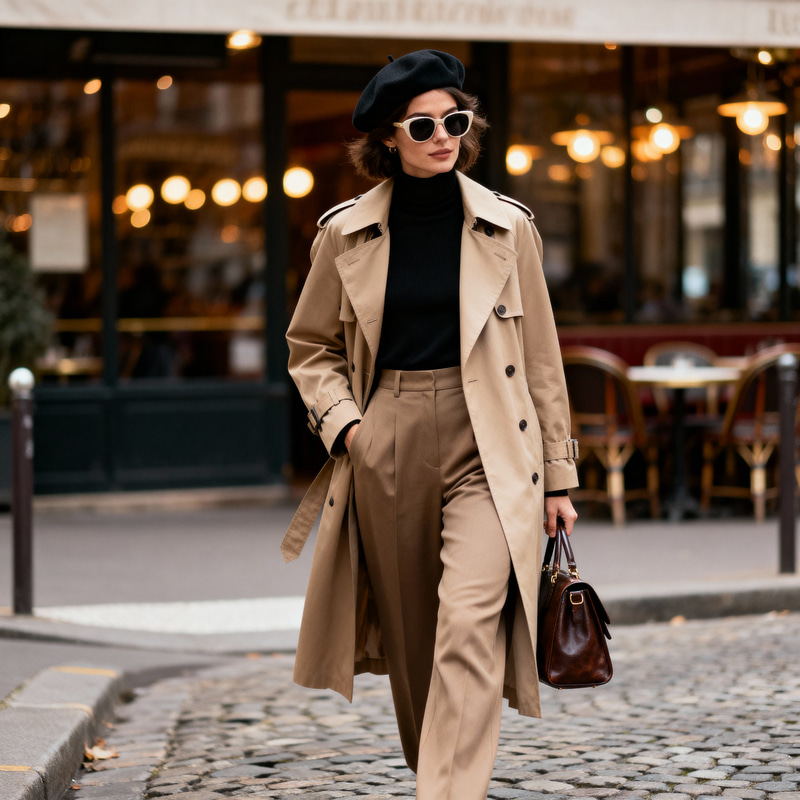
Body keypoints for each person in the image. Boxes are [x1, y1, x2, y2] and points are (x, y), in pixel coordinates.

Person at [282, 49, 579, 800]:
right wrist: (350, 429)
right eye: (424, 125)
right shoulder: (344, 235)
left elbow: (542, 359)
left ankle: (445, 793)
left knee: (469, 622)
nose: (444, 135)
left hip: (492, 442)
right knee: (416, 645)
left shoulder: (509, 229)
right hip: (387, 435)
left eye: (456, 119)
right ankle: (438, 770)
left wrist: (559, 477)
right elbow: (309, 348)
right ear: (389, 138)